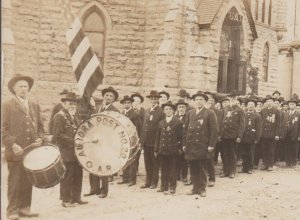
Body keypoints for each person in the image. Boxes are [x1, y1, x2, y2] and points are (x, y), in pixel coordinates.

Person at [2, 74, 45, 219]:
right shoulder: (7, 105)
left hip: (31, 151)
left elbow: (40, 126)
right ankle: (12, 210)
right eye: (20, 86)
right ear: (14, 88)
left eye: (26, 86)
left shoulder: (34, 106)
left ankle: (25, 208)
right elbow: (3, 129)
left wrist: (40, 138)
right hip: (15, 151)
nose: (23, 89)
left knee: (27, 179)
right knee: (14, 181)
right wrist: (12, 144)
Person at [52, 92, 88, 207]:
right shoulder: (59, 116)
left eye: (74, 104)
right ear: (64, 104)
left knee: (78, 174)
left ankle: (76, 197)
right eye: (70, 104)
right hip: (66, 151)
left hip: (76, 152)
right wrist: (74, 141)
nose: (73, 106)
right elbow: (58, 135)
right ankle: (66, 200)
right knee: (67, 176)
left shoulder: (74, 117)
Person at [84, 86, 119, 198]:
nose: (108, 97)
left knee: (103, 165)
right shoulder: (98, 108)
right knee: (93, 164)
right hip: (95, 140)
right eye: (107, 95)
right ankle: (94, 189)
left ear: (113, 99)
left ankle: (104, 190)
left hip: (106, 142)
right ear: (104, 96)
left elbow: (116, 128)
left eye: (111, 96)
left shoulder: (115, 111)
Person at [183, 91, 218, 197]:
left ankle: (202, 189)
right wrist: (184, 144)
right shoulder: (190, 113)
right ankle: (194, 188)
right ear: (194, 101)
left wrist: (211, 145)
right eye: (197, 100)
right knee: (193, 167)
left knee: (202, 168)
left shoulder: (210, 113)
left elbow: (214, 130)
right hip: (191, 145)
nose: (198, 102)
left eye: (201, 100)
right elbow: (185, 130)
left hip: (203, 145)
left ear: (205, 101)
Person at [154, 101, 183, 194]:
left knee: (173, 169)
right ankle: (163, 186)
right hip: (162, 150)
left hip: (173, 150)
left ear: (174, 111)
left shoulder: (178, 122)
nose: (168, 111)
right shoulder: (161, 123)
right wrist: (156, 149)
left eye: (170, 109)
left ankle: (172, 187)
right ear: (164, 111)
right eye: (166, 109)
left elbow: (181, 137)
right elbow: (157, 137)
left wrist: (180, 149)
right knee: (163, 169)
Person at [140, 90, 165, 189]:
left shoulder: (161, 112)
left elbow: (161, 130)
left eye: (155, 99)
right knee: (147, 163)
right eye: (152, 99)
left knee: (155, 164)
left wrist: (158, 144)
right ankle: (148, 181)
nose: (153, 100)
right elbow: (143, 127)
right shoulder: (147, 110)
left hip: (154, 142)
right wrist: (141, 141)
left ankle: (154, 182)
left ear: (158, 100)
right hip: (146, 142)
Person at [220, 92, 245, 179]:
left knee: (233, 154)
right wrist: (220, 134)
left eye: (234, 99)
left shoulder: (239, 110)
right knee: (225, 154)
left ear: (236, 99)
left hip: (234, 136)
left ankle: (232, 171)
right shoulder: (225, 109)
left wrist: (239, 136)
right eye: (231, 99)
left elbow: (242, 124)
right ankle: (225, 171)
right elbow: (221, 122)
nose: (232, 100)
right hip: (225, 135)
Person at [118, 95, 142, 186]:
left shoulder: (135, 114)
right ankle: (125, 177)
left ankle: (132, 179)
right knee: (125, 158)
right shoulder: (122, 114)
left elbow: (138, 128)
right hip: (123, 139)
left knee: (132, 160)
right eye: (125, 103)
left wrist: (137, 140)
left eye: (128, 103)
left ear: (131, 103)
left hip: (132, 139)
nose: (127, 105)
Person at [204, 91, 222, 187]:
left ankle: (211, 178)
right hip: (199, 140)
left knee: (209, 159)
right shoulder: (195, 111)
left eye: (210, 99)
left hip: (209, 139)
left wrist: (212, 143)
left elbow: (215, 128)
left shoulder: (215, 112)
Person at [240, 98, 262, 174]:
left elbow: (259, 128)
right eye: (249, 105)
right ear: (246, 106)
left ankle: (250, 168)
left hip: (252, 137)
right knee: (243, 153)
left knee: (251, 153)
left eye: (252, 105)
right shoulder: (244, 114)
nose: (250, 106)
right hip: (244, 137)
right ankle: (244, 167)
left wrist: (257, 138)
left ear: (255, 106)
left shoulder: (257, 116)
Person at [260, 95, 281, 171]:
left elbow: (278, 124)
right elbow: (260, 122)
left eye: (271, 101)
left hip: (272, 134)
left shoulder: (277, 111)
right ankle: (265, 164)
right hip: (264, 134)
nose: (269, 103)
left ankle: (270, 165)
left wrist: (277, 134)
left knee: (271, 150)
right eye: (268, 101)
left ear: (273, 103)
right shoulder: (263, 110)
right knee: (264, 149)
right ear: (266, 103)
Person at [281, 98, 300, 167]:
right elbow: (282, 124)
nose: (291, 105)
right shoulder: (285, 114)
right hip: (286, 134)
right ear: (288, 105)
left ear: (295, 105)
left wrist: (299, 136)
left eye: (293, 104)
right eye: (290, 104)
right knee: (287, 148)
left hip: (295, 134)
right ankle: (288, 162)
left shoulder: (298, 114)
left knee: (294, 148)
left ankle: (293, 162)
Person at [174, 99, 189, 184]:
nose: (181, 109)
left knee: (184, 159)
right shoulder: (174, 117)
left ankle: (184, 176)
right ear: (177, 108)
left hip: (185, 141)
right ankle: (177, 175)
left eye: (183, 107)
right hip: (176, 141)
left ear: (186, 108)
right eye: (180, 107)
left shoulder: (188, 116)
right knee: (176, 159)